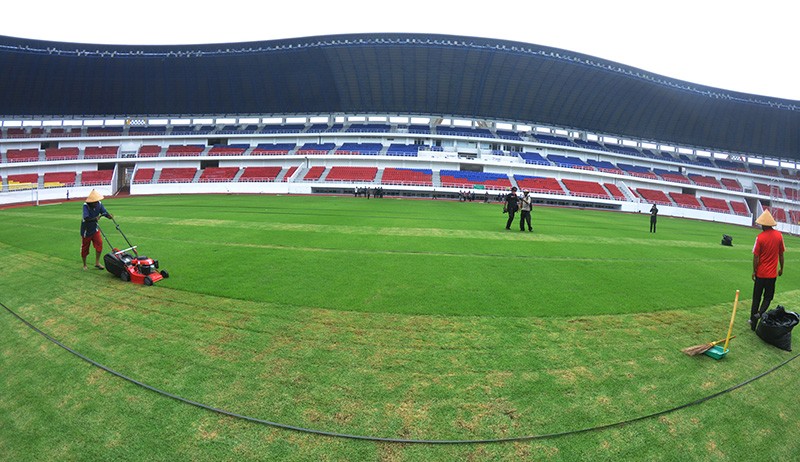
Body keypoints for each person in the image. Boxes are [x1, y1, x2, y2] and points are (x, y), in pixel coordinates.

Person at [750, 209, 785, 330]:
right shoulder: (779, 236)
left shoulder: (760, 238)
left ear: (764, 225)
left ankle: (753, 322)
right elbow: (781, 254)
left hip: (761, 273)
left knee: (756, 297)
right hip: (771, 275)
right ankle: (760, 313)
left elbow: (756, 257)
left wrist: (754, 271)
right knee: (768, 297)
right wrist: (781, 268)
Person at [81, 189, 113, 270]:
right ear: (91, 202)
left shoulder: (99, 204)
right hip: (86, 231)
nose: (96, 203)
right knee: (85, 248)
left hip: (95, 229)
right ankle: (84, 264)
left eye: (97, 201)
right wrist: (95, 219)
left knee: (99, 244)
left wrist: (109, 216)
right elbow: (86, 218)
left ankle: (97, 263)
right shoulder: (85, 206)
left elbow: (104, 212)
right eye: (95, 202)